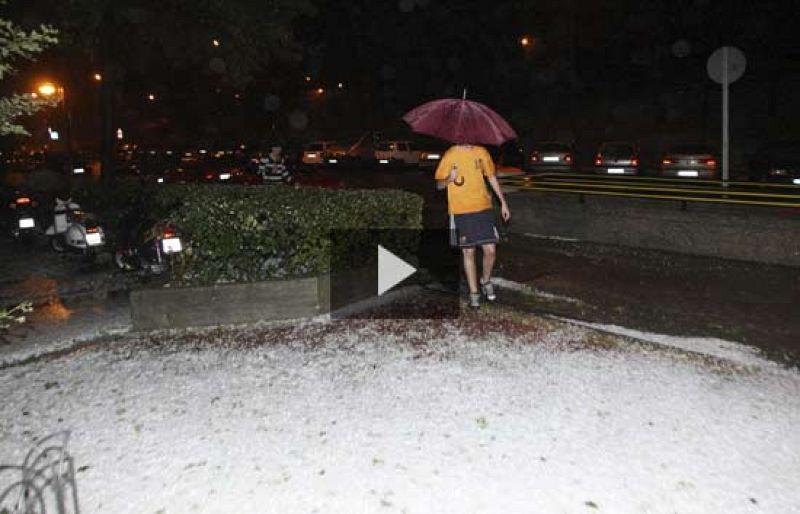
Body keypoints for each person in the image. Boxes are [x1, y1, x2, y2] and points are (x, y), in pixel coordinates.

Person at [435, 143, 511, 309]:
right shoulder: (450, 154)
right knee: (468, 252)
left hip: (483, 207)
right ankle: (474, 292)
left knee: (490, 250)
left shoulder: (481, 152)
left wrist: (503, 202)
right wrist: (449, 179)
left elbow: (491, 177)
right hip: (460, 210)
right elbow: (439, 185)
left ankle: (486, 280)